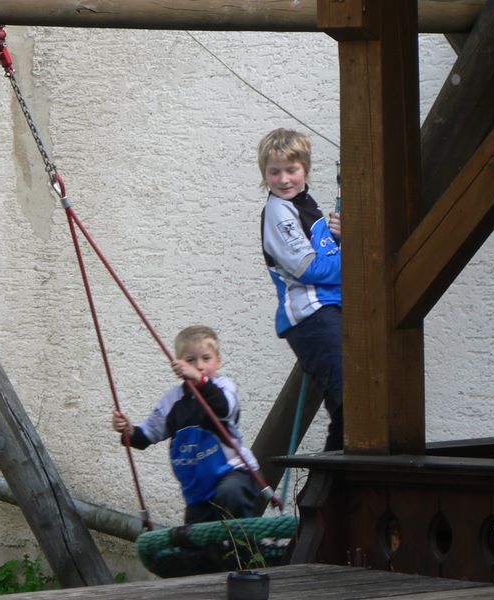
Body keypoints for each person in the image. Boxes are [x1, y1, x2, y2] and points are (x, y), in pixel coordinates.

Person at [112, 325, 262, 524]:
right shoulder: (172, 401)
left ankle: (245, 542)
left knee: (230, 495)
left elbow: (223, 409)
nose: (198, 366)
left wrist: (200, 380)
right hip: (198, 490)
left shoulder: (224, 387)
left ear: (218, 361)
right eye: (190, 360)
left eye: (206, 358)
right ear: (178, 365)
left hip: (235, 473)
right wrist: (129, 430)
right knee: (195, 536)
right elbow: (146, 435)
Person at [258, 128, 343, 451]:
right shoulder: (279, 212)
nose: (283, 180)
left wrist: (339, 238)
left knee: (356, 403)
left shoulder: (307, 204)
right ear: (264, 174)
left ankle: (337, 476)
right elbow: (310, 269)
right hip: (313, 317)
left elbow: (325, 255)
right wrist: (356, 254)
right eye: (274, 172)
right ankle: (333, 478)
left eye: (291, 170)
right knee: (349, 403)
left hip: (330, 309)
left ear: (305, 168)